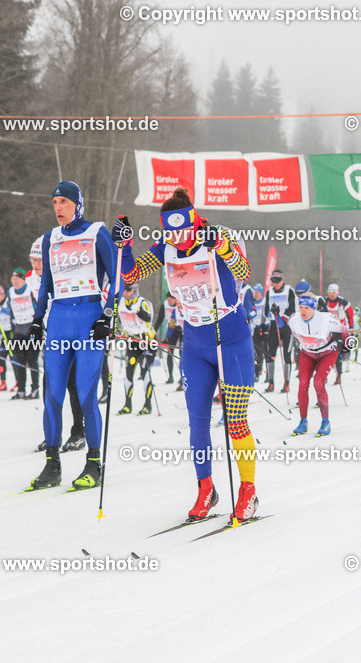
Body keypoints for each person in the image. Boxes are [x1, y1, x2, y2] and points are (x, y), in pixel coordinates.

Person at [116, 187, 258, 523]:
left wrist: (221, 247)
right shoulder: (166, 248)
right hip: (195, 343)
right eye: (171, 232)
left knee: (236, 423)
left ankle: (248, 491)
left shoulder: (219, 234)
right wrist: (123, 245)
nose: (177, 239)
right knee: (197, 423)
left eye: (182, 231)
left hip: (231, 339)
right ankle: (206, 489)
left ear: (193, 222)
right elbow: (130, 276)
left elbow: (243, 272)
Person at [26, 181, 116, 491]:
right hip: (60, 319)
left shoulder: (98, 232)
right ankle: (52, 465)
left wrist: (107, 314)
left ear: (77, 203)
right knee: (51, 395)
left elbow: (116, 278)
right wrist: (38, 320)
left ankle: (93, 463)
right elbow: (46, 284)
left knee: (88, 393)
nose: (58, 208)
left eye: (63, 201)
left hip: (90, 317)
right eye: (54, 203)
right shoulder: (49, 239)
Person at [288, 293, 342, 436]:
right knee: (303, 384)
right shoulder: (294, 320)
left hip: (328, 353)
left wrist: (344, 344)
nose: (303, 311)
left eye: (307, 308)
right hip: (307, 354)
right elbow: (284, 321)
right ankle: (303, 421)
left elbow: (344, 331)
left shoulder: (326, 319)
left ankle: (325, 422)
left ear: (315, 308)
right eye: (301, 307)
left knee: (318, 382)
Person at [116, 283, 156, 416]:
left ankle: (147, 405)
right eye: (124, 290)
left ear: (134, 290)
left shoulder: (141, 302)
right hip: (132, 341)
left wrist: (138, 311)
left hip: (147, 341)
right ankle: (127, 405)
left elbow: (148, 318)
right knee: (128, 372)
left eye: (128, 290)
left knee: (144, 371)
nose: (126, 292)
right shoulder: (120, 302)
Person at [7, 268, 39, 400]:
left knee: (32, 361)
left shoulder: (30, 289)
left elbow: (38, 307)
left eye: (16, 279)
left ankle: (35, 389)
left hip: (32, 330)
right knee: (19, 361)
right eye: (12, 279)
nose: (13, 282)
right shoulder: (10, 292)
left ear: (22, 279)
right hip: (19, 330)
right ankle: (21, 390)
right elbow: (10, 310)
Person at [262, 270, 296, 393]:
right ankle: (271, 383)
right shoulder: (269, 292)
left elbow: (292, 308)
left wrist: (281, 315)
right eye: (273, 281)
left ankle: (286, 384)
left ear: (283, 280)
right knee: (270, 354)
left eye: (278, 281)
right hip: (273, 325)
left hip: (286, 325)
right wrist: (265, 320)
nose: (275, 283)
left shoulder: (289, 290)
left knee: (287, 354)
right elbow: (265, 310)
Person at [325, 284, 354, 385]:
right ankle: (325, 377)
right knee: (326, 354)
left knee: (337, 355)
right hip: (328, 331)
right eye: (330, 293)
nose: (331, 295)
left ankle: (338, 376)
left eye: (333, 293)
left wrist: (351, 329)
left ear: (337, 292)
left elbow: (351, 314)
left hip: (339, 331)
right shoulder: (325, 301)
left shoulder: (343, 302)